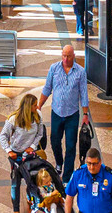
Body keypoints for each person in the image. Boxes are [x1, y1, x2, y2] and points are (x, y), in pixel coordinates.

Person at [39, 44, 90, 183]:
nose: (66, 59)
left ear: (74, 56)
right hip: (56, 112)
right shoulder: (54, 68)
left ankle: (67, 177)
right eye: (64, 56)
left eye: (69, 56)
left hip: (72, 114)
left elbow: (84, 94)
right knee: (55, 141)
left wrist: (85, 114)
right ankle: (59, 162)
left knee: (71, 145)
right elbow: (47, 88)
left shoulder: (80, 72)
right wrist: (39, 106)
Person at [0, 93, 45, 211]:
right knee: (16, 183)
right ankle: (16, 209)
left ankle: (31, 198)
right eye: (34, 105)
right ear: (28, 107)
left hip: (30, 154)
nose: (37, 107)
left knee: (32, 179)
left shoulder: (38, 115)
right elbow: (3, 136)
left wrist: (32, 146)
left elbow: (40, 134)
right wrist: (9, 151)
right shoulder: (14, 119)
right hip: (16, 155)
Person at [64, 147, 112, 213]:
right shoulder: (78, 174)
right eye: (89, 163)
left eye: (94, 164)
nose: (91, 167)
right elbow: (69, 196)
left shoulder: (110, 176)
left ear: (100, 162)